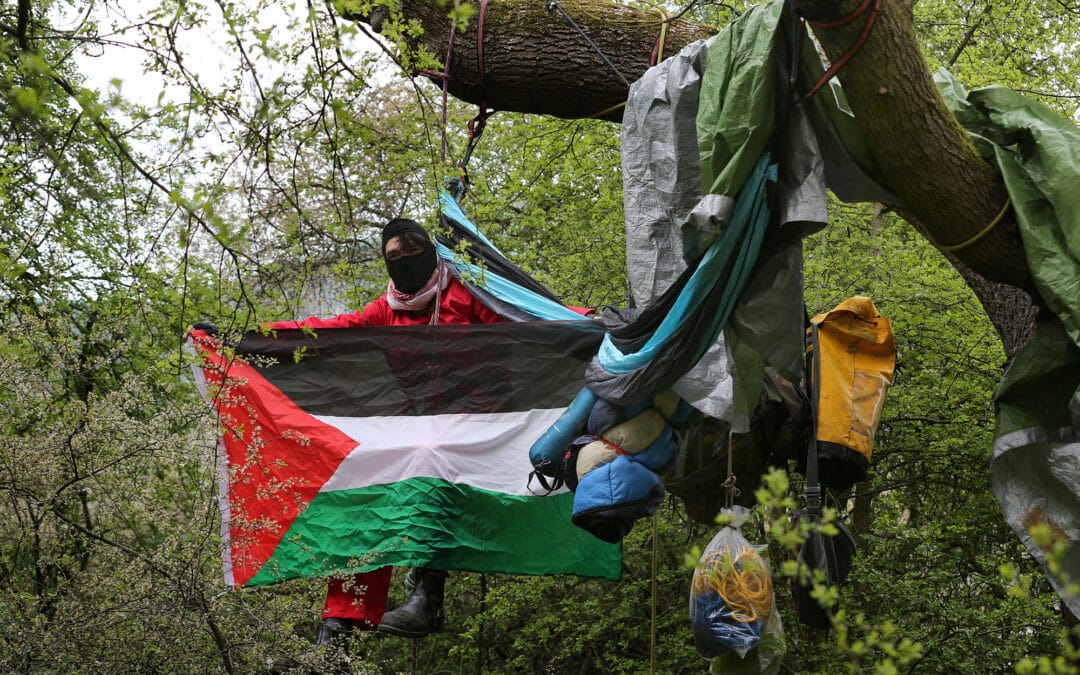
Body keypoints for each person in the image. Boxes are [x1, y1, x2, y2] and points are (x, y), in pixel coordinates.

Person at [262, 217, 501, 647]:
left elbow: (526, 318)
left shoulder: (465, 294)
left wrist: (591, 321)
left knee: (427, 459)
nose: (407, 262)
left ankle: (427, 597)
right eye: (395, 256)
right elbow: (325, 332)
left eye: (414, 251)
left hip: (481, 420)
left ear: (431, 252)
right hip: (421, 420)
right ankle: (337, 634)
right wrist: (252, 338)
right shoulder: (385, 311)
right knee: (365, 482)